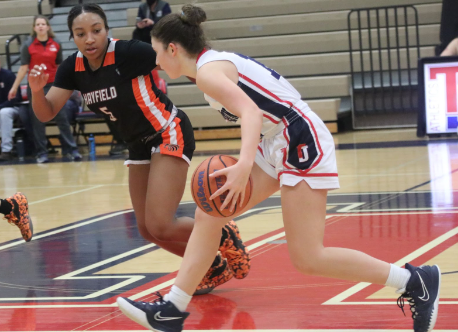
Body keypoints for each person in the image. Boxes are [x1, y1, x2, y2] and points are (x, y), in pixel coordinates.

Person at [116, 5, 442, 332]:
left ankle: (414, 281)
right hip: (274, 140)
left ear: (172, 48)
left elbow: (251, 113)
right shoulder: (210, 66)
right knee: (209, 213)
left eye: (157, 52)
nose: (156, 62)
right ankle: (172, 308)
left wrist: (243, 164)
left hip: (297, 136)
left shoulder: (208, 72)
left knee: (308, 257)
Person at [27, 3, 250, 295]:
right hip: (136, 145)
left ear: (107, 29)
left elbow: (185, 63)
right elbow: (46, 113)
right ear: (72, 37)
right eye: (80, 34)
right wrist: (35, 91)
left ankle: (223, 232)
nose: (90, 39)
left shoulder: (129, 52)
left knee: (162, 222)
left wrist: (223, 98)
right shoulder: (73, 67)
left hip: (167, 131)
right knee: (147, 229)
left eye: (96, 31)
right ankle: (212, 267)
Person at [8, 15, 82, 163]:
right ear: (34, 28)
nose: (41, 26)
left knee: (62, 118)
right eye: (38, 24)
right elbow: (23, 68)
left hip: (54, 85)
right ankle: (42, 153)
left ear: (48, 27)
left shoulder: (56, 43)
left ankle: (71, 150)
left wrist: (67, 83)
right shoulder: (28, 45)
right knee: (38, 120)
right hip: (36, 87)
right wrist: (14, 87)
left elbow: (60, 66)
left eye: (43, 24)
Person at [0, 58, 22, 161]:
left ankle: (6, 151)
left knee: (4, 113)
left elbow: (15, 99)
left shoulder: (9, 76)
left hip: (13, 108)